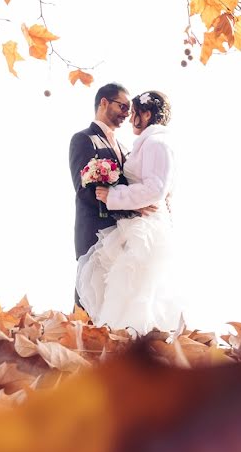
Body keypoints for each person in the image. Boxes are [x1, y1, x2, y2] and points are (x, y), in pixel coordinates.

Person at [76, 90, 182, 335]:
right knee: (126, 287)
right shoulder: (147, 143)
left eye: (133, 111)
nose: (129, 116)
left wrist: (114, 196)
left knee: (138, 290)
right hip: (134, 224)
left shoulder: (156, 143)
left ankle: (132, 344)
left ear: (146, 114)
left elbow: (156, 188)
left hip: (146, 229)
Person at [68, 83, 139, 309]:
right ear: (104, 103)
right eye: (122, 106)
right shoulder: (84, 139)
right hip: (93, 232)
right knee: (89, 299)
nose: (126, 114)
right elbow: (84, 190)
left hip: (122, 235)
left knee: (116, 302)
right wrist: (126, 208)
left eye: (129, 109)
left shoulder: (125, 148)